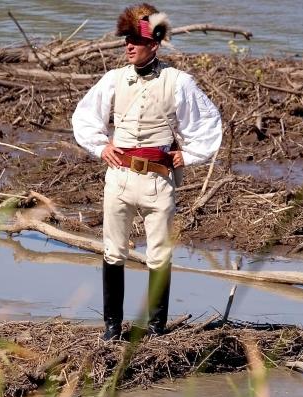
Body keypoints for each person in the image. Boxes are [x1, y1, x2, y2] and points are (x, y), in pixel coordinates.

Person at [72, 3, 222, 340]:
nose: (129, 46)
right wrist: (101, 147)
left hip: (159, 181)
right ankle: (112, 327)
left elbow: (207, 121)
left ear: (153, 44)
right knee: (113, 251)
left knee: (159, 254)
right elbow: (85, 117)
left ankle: (156, 327)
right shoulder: (112, 80)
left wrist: (190, 154)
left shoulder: (178, 81)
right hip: (120, 179)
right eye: (126, 39)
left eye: (136, 40)